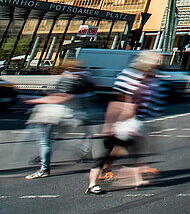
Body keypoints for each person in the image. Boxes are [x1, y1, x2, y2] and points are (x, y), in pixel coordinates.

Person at [86, 51, 167, 194]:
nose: (159, 65)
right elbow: (123, 105)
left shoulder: (153, 81)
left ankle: (96, 182)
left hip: (134, 124)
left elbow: (123, 103)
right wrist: (110, 124)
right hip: (128, 124)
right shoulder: (140, 80)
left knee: (113, 154)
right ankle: (123, 177)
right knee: (123, 153)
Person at [24, 59, 94, 179]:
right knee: (55, 139)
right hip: (75, 115)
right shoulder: (82, 80)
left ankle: (44, 167)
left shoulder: (68, 80)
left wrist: (34, 100)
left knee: (44, 141)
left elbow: (61, 98)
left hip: (56, 115)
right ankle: (85, 153)